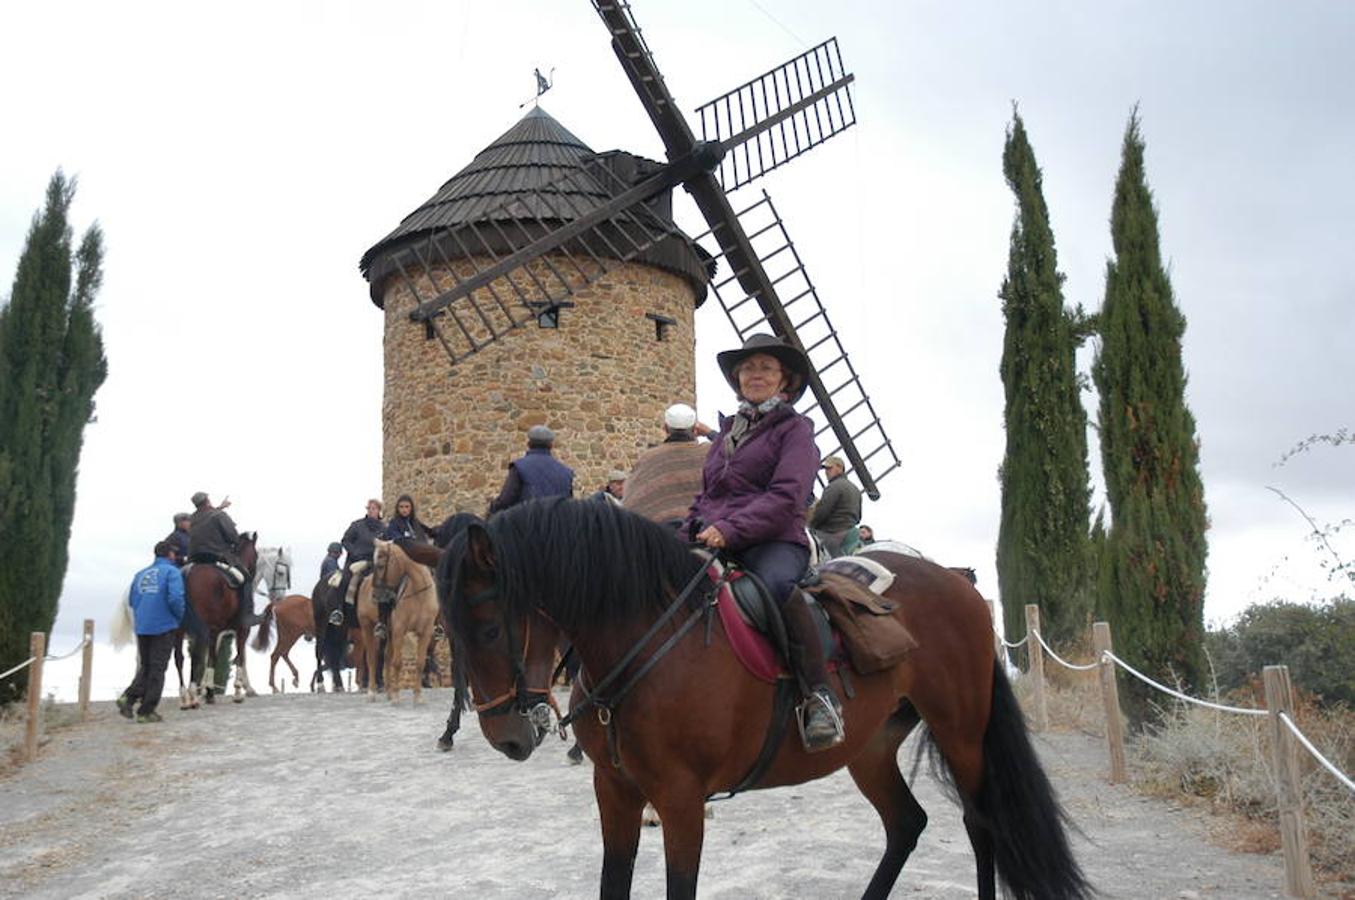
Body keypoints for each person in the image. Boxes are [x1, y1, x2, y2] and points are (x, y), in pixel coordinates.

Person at [685, 333, 845, 752]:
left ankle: (819, 697)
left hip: (774, 538)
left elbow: (787, 496)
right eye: (748, 368)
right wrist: (688, 526)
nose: (755, 374)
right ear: (738, 378)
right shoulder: (726, 433)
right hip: (718, 535)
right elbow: (708, 494)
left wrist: (731, 529)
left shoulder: (796, 431)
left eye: (765, 368)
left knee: (777, 589)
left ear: (784, 381)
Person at [116, 541, 186, 724]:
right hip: (163, 625)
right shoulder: (172, 572)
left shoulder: (140, 574)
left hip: (142, 626)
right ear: (170, 554)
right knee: (157, 669)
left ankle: (128, 699)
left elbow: (132, 600)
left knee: (146, 666)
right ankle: (146, 711)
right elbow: (176, 597)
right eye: (174, 552)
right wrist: (178, 617)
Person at [622, 403, 710, 528]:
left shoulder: (649, 458)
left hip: (660, 537)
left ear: (665, 428)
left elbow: (632, 500)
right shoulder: (710, 452)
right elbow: (732, 447)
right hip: (708, 535)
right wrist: (710, 432)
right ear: (695, 430)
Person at [187, 491, 259, 628]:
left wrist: (221, 507)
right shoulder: (219, 515)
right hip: (216, 556)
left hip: (194, 559)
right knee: (246, 578)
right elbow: (233, 537)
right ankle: (247, 615)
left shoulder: (192, 518)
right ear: (208, 500)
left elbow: (208, 517)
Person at [374, 494, 432, 639]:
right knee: (387, 586)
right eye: (401, 507)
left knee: (436, 580)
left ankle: (438, 622)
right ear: (397, 509)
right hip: (402, 561)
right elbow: (396, 538)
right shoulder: (394, 523)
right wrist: (409, 541)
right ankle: (382, 622)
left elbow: (428, 533)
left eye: (407, 507)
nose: (404, 510)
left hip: (420, 561)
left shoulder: (416, 524)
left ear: (411, 508)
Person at [488, 424, 575, 513]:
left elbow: (505, 501)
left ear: (529, 444)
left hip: (527, 524)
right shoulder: (566, 472)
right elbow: (568, 506)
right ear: (550, 445)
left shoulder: (519, 467)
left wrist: (492, 508)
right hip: (556, 525)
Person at [334, 499, 386, 630]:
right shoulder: (357, 525)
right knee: (345, 580)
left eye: (374, 508)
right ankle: (338, 611)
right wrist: (355, 552)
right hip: (356, 561)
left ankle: (384, 618)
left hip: (374, 563)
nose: (371, 510)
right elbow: (345, 540)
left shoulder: (384, 528)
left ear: (379, 511)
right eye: (369, 508)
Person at [809, 455, 863, 558]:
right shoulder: (856, 490)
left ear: (839, 468)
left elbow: (822, 512)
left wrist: (811, 526)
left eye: (829, 468)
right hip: (850, 533)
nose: (826, 472)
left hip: (831, 533)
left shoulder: (833, 487)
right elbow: (859, 517)